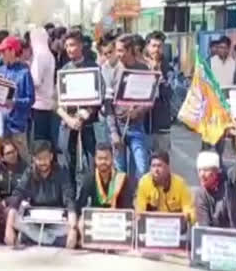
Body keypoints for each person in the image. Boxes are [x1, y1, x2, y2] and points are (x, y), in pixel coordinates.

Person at [5, 140, 79, 248]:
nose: (42, 162)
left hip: (57, 221)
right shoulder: (29, 172)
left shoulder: (61, 172)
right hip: (35, 220)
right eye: (39, 159)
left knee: (74, 224)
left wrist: (73, 230)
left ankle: (32, 238)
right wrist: (8, 227)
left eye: (45, 158)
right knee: (14, 216)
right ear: (34, 159)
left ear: (51, 157)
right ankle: (54, 241)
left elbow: (69, 200)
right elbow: (18, 195)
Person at [57, 30, 100, 183]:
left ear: (81, 45)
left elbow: (98, 99)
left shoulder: (93, 68)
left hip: (88, 123)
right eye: (67, 45)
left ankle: (94, 199)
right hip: (68, 124)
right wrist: (69, 119)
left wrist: (83, 115)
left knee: (92, 162)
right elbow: (58, 103)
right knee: (68, 164)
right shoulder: (64, 71)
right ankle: (71, 200)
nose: (70, 49)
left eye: (73, 45)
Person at [108, 34, 151, 177]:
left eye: (121, 51)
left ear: (131, 50)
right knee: (120, 174)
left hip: (136, 127)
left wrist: (138, 111)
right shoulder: (112, 71)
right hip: (117, 128)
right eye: (117, 50)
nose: (118, 55)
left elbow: (149, 101)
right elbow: (108, 105)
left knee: (142, 169)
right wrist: (114, 132)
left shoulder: (144, 70)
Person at [0, 35, 35, 160]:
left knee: (22, 158)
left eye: (4, 51)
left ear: (12, 51)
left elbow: (30, 99)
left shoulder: (24, 72)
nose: (1, 54)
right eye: (0, 51)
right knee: (2, 159)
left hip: (17, 125)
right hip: (0, 124)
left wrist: (14, 103)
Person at [135, 150, 195, 223]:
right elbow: (140, 209)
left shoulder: (180, 183)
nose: (156, 170)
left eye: (159, 165)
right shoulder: (144, 182)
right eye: (153, 166)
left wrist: (188, 217)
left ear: (168, 167)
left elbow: (188, 208)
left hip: (174, 225)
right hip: (152, 225)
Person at [77, 142, 135, 210]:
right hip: (96, 217)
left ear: (112, 158)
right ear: (95, 159)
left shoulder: (122, 179)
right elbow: (80, 204)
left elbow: (127, 207)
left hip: (116, 216)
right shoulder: (89, 178)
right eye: (100, 158)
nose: (103, 162)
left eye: (106, 158)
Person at [144, 31, 173, 152]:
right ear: (147, 46)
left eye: (159, 46)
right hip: (143, 120)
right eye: (153, 46)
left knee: (162, 157)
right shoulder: (140, 65)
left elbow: (170, 93)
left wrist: (161, 77)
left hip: (162, 120)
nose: (156, 49)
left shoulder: (168, 67)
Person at [30, 27, 57, 147]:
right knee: (48, 140)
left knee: (40, 142)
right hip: (49, 103)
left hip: (39, 104)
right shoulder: (49, 54)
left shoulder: (39, 56)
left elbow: (35, 81)